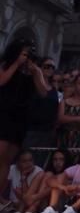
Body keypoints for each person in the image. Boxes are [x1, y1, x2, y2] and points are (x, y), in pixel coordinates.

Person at [0, 39, 49, 203]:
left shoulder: (34, 71)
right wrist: (16, 64)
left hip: (20, 118)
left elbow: (43, 92)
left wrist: (35, 72)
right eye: (24, 53)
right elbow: (2, 81)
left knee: (7, 160)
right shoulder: (6, 64)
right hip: (3, 113)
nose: (26, 57)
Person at [6, 149, 45, 213]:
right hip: (14, 203)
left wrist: (24, 178)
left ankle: (26, 210)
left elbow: (29, 197)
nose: (28, 164)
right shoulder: (11, 169)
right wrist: (5, 202)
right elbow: (4, 187)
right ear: (17, 162)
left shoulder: (38, 171)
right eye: (24, 161)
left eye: (30, 160)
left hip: (31, 202)